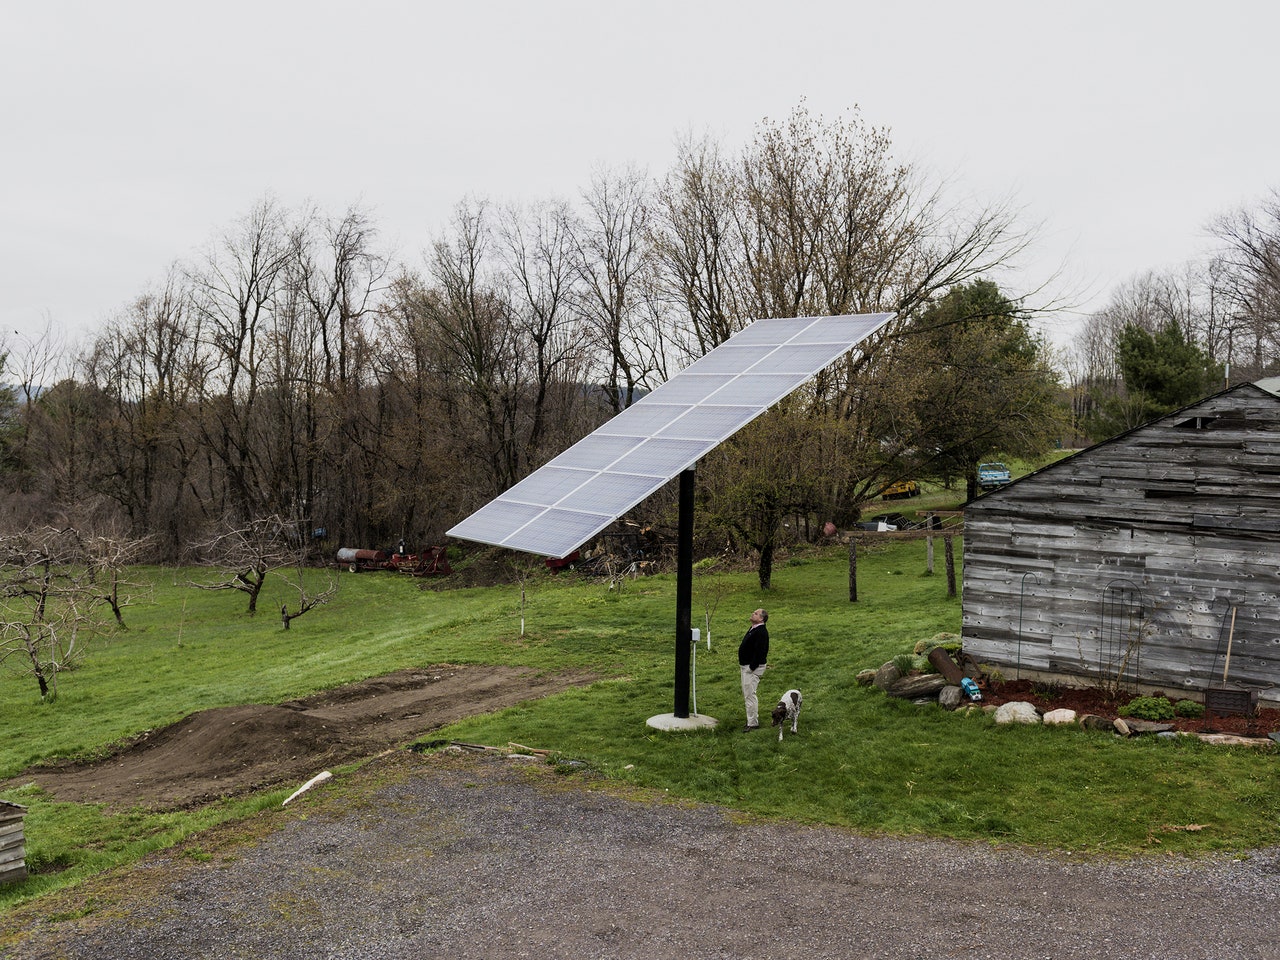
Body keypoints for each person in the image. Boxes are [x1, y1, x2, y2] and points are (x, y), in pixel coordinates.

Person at [738, 608, 769, 731]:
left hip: (751, 668)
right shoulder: (754, 628)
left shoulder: (761, 632)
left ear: (761, 618)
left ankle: (752, 723)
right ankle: (750, 720)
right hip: (746, 666)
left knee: (750, 695)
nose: (753, 614)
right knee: (747, 694)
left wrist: (751, 667)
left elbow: (761, 651)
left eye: (756, 613)